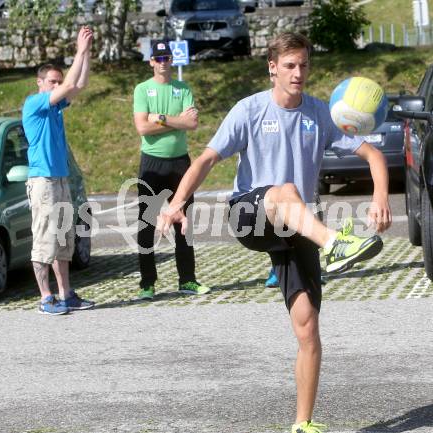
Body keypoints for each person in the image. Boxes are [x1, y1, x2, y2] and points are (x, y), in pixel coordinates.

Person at [157, 32, 392, 433]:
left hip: (298, 224)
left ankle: (303, 423)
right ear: (272, 68)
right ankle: (336, 243)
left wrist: (381, 197)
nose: (298, 72)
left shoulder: (321, 114)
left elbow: (372, 154)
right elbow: (207, 159)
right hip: (250, 213)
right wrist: (177, 201)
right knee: (285, 190)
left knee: (308, 328)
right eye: (289, 65)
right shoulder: (249, 110)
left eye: (303, 65)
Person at [22, 26, 95, 315]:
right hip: (42, 180)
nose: (56, 85)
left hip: (60, 177)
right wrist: (78, 50)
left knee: (64, 238)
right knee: (44, 240)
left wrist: (86, 52)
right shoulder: (34, 104)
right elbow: (67, 88)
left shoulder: (55, 107)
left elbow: (79, 85)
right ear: (40, 83)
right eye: (51, 81)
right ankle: (45, 298)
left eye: (57, 81)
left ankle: (66, 294)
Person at [133, 40, 210, 300]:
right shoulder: (142, 90)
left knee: (183, 223)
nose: (164, 62)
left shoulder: (183, 88)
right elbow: (142, 128)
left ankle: (187, 279)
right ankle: (147, 283)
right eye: (159, 58)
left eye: (167, 57)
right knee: (146, 223)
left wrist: (162, 118)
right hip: (152, 162)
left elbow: (193, 123)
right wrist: (178, 122)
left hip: (180, 163)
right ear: (151, 62)